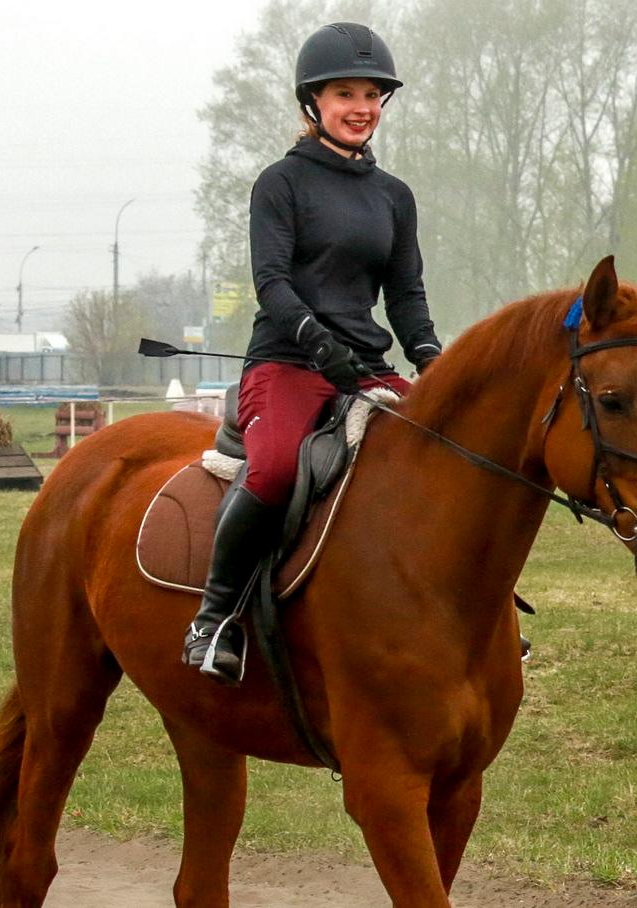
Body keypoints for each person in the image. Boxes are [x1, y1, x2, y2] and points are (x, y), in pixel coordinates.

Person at [183, 22, 443, 682]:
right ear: (313, 104)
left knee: (452, 460)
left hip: (366, 368)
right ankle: (213, 620)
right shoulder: (281, 184)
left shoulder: (394, 197)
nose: (361, 107)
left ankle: (464, 616)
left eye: (371, 95)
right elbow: (272, 283)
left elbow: (405, 294)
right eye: (344, 94)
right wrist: (317, 343)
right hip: (289, 363)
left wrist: (432, 360)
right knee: (271, 473)